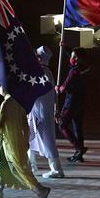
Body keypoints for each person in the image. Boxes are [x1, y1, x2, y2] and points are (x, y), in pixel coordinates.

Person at [0, 87, 51, 198]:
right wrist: (26, 141)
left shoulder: (6, 104)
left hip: (9, 141)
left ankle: (40, 190)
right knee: (1, 166)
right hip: (15, 140)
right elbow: (25, 124)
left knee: (16, 168)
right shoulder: (19, 103)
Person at [28, 46, 65, 179]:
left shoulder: (41, 72)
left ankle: (56, 169)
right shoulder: (46, 71)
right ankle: (31, 165)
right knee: (31, 137)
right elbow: (54, 94)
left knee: (47, 140)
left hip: (41, 112)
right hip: (37, 111)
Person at [57, 48, 91, 163]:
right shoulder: (86, 68)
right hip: (81, 102)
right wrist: (65, 48)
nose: (71, 58)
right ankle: (79, 155)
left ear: (77, 58)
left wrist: (58, 88)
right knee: (77, 127)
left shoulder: (74, 71)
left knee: (62, 125)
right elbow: (76, 59)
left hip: (71, 102)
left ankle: (79, 148)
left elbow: (64, 87)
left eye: (73, 56)